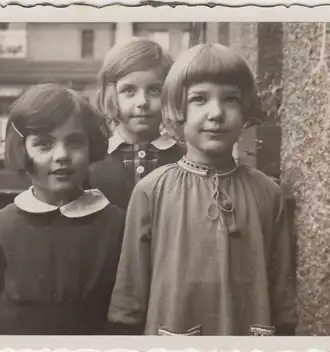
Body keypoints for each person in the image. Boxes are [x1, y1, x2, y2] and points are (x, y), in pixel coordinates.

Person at [107, 44, 297, 336]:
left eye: (230, 99)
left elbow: (282, 294)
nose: (216, 113)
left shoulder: (267, 193)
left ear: (245, 110)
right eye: (199, 99)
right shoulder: (152, 191)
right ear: (176, 110)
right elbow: (129, 295)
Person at [0, 84, 125, 335]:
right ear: (21, 150)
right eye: (44, 144)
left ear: (91, 146)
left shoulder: (115, 224)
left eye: (74, 142)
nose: (61, 155)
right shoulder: (3, 225)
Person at [88, 38, 184, 210]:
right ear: (112, 95)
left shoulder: (183, 159)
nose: (142, 102)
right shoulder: (95, 160)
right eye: (129, 91)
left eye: (154, 90)